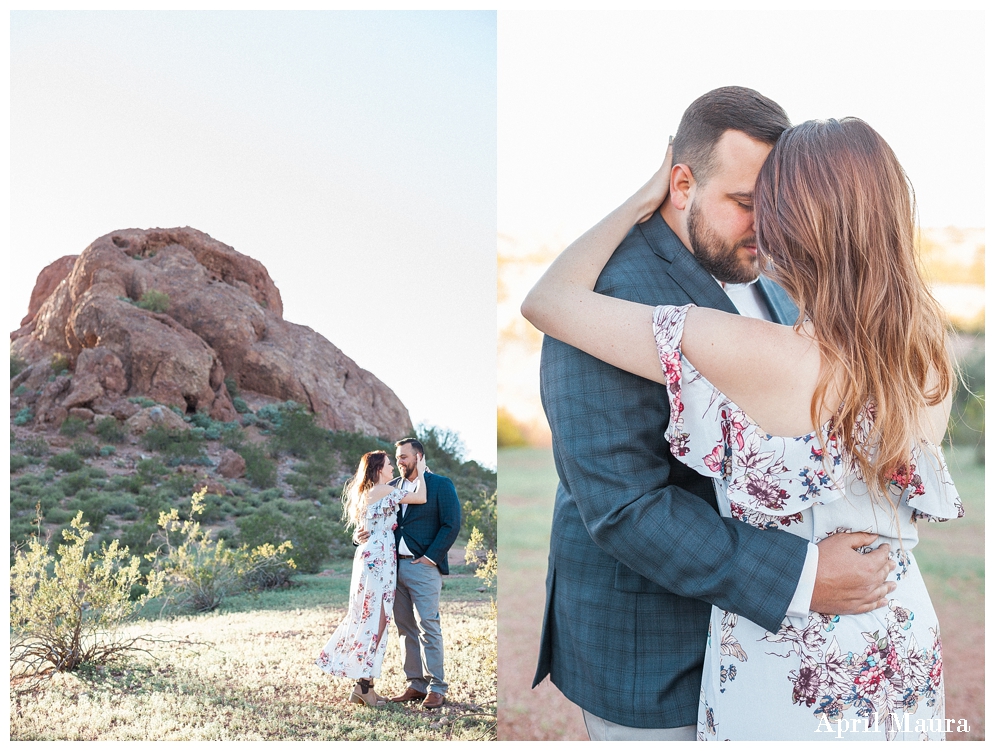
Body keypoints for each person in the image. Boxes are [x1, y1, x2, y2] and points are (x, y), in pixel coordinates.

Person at [522, 116, 962, 740]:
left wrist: (641, 195)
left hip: (789, 665)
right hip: (899, 639)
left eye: (772, 205)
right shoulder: (929, 355)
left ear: (800, 225)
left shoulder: (756, 347)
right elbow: (622, 501)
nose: (760, 225)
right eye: (746, 202)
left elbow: (547, 301)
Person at [315, 450, 427, 707]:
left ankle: (364, 687)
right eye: (389, 464)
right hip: (379, 558)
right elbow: (420, 497)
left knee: (373, 618)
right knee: (376, 621)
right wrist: (420, 466)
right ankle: (364, 686)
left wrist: (360, 536)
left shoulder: (373, 492)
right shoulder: (382, 490)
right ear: (378, 469)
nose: (393, 467)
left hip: (374, 556)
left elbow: (364, 529)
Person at [386, 438, 462, 709]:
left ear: (419, 457)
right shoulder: (392, 487)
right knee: (405, 628)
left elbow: (451, 523)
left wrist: (431, 558)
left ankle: (437, 686)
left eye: (404, 457)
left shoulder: (441, 484)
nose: (400, 462)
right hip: (393, 569)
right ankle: (415, 685)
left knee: (429, 625)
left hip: (423, 567)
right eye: (397, 458)